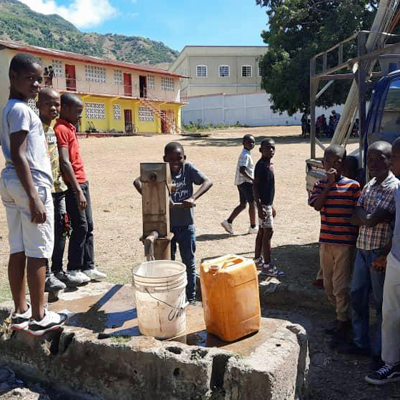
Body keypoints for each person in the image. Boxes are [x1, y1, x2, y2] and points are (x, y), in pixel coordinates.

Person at [0, 53, 67, 335]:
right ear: (13, 77)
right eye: (30, 78)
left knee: (18, 250)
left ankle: (21, 311)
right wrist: (35, 197)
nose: (37, 84)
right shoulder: (22, 111)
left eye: (40, 79)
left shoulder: (9, 108)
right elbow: (19, 153)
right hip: (30, 184)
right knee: (39, 252)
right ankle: (40, 316)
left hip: (10, 182)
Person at [339, 141, 398, 369]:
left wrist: (368, 216)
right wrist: (369, 216)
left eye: (379, 158)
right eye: (370, 159)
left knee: (382, 304)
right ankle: (360, 342)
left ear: (390, 160)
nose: (373, 163)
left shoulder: (395, 188)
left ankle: (381, 352)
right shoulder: (370, 184)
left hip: (380, 254)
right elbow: (356, 215)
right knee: (357, 296)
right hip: (363, 248)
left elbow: (371, 218)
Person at [134, 142, 212, 303]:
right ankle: (171, 298)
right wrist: (151, 196)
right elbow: (137, 181)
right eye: (171, 160)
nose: (176, 163)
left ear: (185, 157)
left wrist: (192, 198)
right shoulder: (160, 171)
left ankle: (190, 298)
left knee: (188, 263)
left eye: (179, 158)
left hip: (186, 225)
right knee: (168, 263)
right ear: (165, 159)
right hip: (166, 226)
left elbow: (207, 182)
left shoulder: (188, 168)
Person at [309, 145, 361, 347]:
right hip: (326, 242)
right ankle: (341, 317)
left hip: (344, 244)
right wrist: (329, 185)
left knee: (340, 286)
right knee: (328, 285)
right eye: (328, 162)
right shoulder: (320, 185)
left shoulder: (353, 186)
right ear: (323, 163)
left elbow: (357, 213)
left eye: (337, 162)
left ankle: (342, 322)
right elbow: (316, 206)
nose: (332, 165)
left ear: (343, 163)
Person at [54, 93, 107, 283]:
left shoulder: (70, 127)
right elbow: (65, 162)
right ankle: (74, 268)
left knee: (89, 225)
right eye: (77, 112)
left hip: (82, 182)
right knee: (80, 226)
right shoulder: (60, 129)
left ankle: (88, 266)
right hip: (73, 185)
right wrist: (76, 190)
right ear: (65, 108)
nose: (79, 116)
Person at [36, 88, 82, 290]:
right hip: (44, 191)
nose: (54, 108)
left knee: (62, 230)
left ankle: (58, 271)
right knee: (44, 234)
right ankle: (45, 275)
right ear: (38, 105)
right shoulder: (35, 129)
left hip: (59, 189)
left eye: (57, 105)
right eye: (49, 104)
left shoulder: (52, 130)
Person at [365, 138, 400, 384]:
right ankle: (391, 364)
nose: (392, 161)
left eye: (395, 157)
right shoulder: (398, 190)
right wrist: (389, 254)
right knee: (390, 313)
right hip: (396, 259)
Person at [253, 138, 282, 276]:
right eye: (267, 148)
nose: (270, 150)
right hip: (263, 205)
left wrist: (272, 205)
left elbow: (268, 188)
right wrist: (260, 207)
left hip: (267, 204)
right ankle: (267, 266)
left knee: (262, 232)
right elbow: (255, 187)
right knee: (268, 233)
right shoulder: (261, 166)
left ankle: (258, 260)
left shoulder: (268, 164)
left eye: (272, 148)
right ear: (260, 150)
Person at [221, 134, 257, 235]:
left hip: (241, 183)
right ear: (243, 143)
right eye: (249, 142)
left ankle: (228, 222)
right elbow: (242, 170)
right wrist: (252, 179)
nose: (251, 144)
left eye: (253, 142)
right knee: (252, 204)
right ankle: (253, 226)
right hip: (246, 183)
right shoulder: (245, 155)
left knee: (242, 204)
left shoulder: (246, 153)